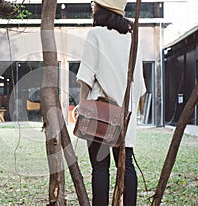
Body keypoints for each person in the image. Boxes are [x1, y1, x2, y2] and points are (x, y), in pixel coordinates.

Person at [76, 0, 146, 205]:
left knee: (99, 167)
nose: (92, 6)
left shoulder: (95, 34)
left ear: (102, 8)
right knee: (126, 165)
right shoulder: (133, 38)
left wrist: (82, 107)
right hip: (125, 114)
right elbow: (140, 85)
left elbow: (86, 77)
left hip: (100, 113)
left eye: (94, 3)